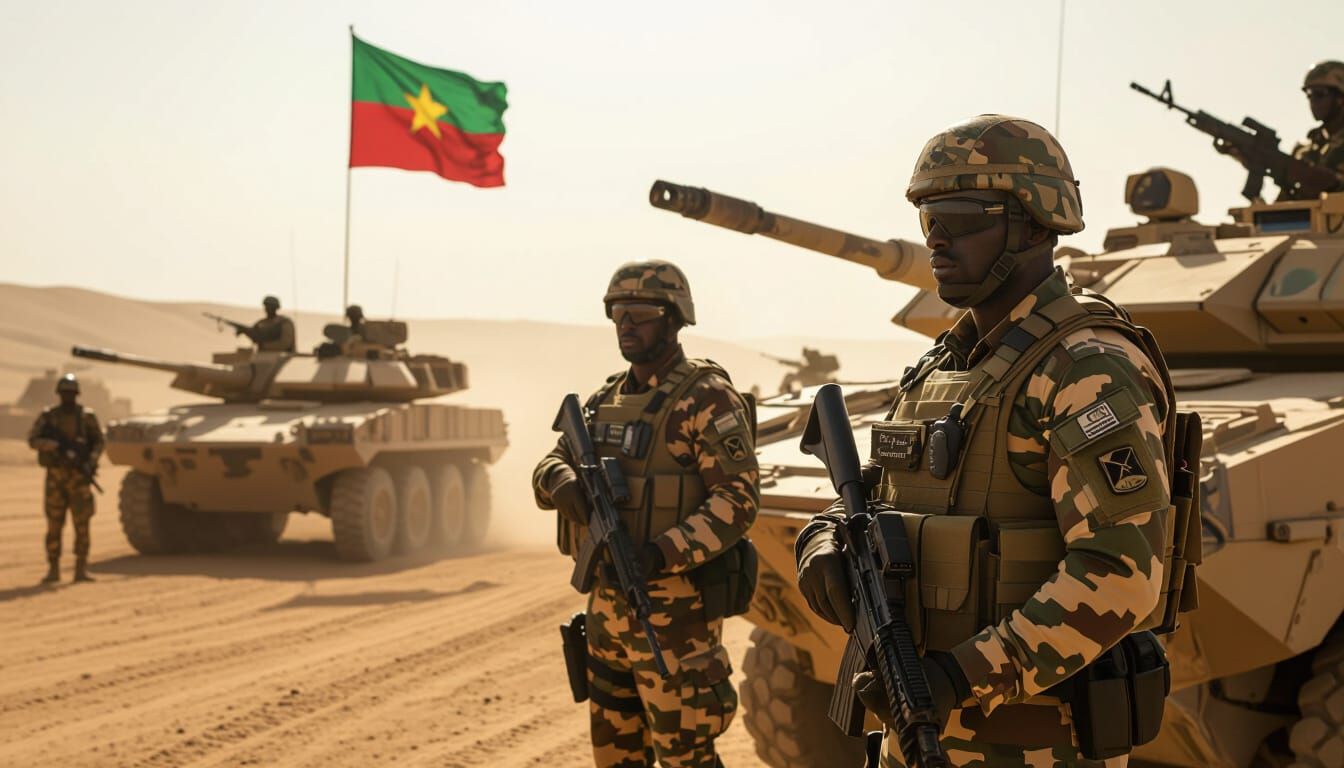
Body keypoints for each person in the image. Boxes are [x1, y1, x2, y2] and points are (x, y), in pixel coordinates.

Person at [796, 115, 1175, 766]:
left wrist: (962, 678)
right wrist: (824, 541)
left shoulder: (1082, 370)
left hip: (1031, 741)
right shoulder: (943, 368)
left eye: (961, 217)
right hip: (920, 728)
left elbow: (1122, 575)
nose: (937, 240)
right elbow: (870, 501)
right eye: (927, 220)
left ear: (1033, 222)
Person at [532, 260, 759, 767]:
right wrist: (562, 482)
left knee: (686, 757)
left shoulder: (704, 397)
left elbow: (737, 500)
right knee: (613, 755)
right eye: (617, 313)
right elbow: (550, 461)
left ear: (675, 319)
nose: (626, 324)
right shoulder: (602, 400)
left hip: (675, 619)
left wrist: (660, 554)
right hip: (608, 613)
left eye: (641, 313)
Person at [27, 374, 104, 583]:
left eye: (71, 393)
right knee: (54, 524)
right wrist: (53, 446)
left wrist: (89, 461)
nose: (68, 397)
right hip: (55, 477)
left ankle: (81, 568)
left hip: (79, 477)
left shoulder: (87, 417)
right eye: (65, 393)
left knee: (82, 524)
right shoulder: (49, 417)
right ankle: (53, 569)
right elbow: (33, 440)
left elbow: (98, 442)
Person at [1287, 60, 1344, 199]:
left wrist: (1336, 183)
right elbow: (1286, 204)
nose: (1313, 101)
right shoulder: (1305, 151)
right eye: (1309, 94)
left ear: (1340, 97)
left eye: (1320, 94)